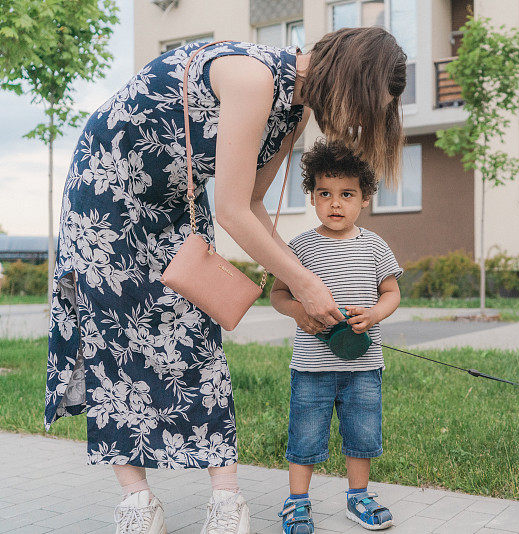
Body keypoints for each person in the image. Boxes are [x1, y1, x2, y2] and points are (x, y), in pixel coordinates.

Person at [45, 27, 406, 534]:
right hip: (106, 193)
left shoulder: (296, 107)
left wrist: (310, 281)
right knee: (114, 344)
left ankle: (226, 497)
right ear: (348, 81)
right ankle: (136, 499)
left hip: (175, 202)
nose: (359, 122)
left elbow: (254, 202)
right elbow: (233, 211)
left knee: (195, 332)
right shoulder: (253, 77)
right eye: (367, 106)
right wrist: (303, 284)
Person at [270, 140, 403, 533]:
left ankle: (358, 497)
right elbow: (278, 294)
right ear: (311, 197)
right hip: (312, 367)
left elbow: (392, 292)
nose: (335, 203)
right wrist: (299, 312)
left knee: (362, 432)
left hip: (364, 366)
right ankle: (297, 502)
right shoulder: (299, 248)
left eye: (347, 194)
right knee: (306, 433)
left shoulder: (374, 246)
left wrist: (376, 314)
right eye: (325, 193)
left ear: (364, 199)